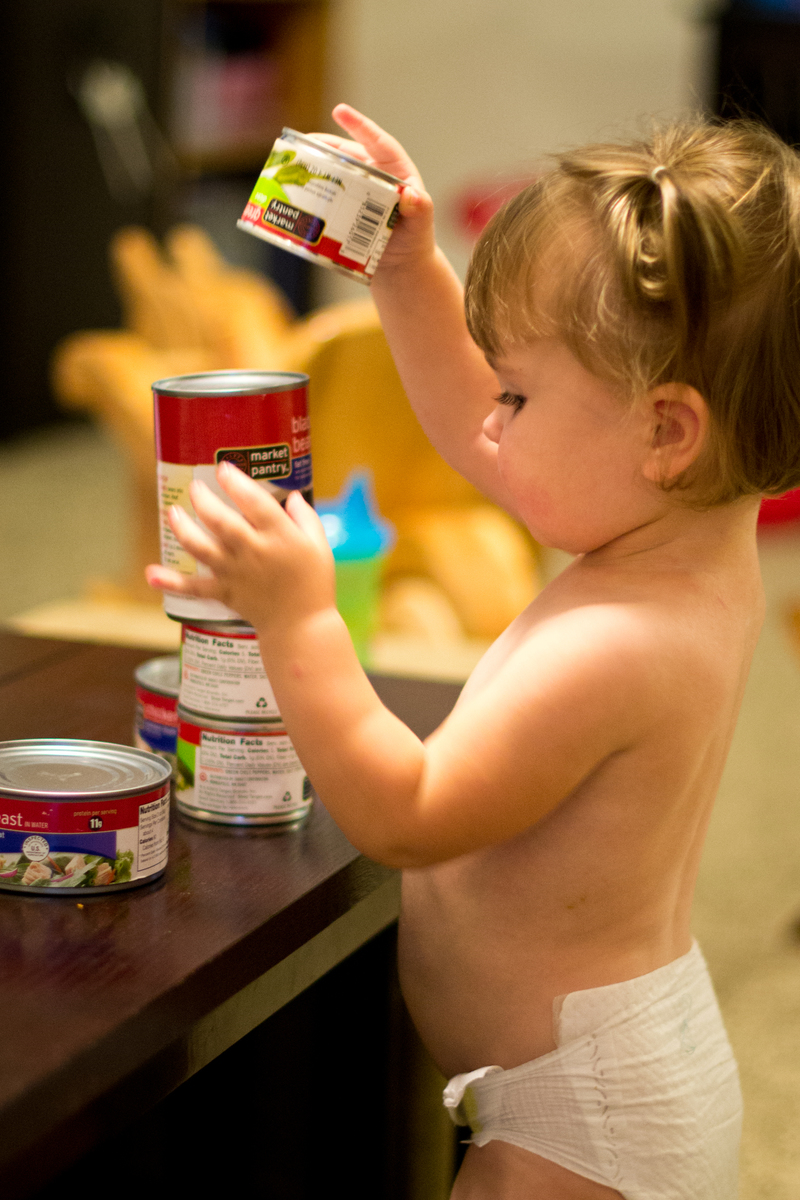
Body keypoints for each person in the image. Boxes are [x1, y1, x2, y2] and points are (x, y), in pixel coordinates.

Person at [146, 106, 800, 1198]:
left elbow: (407, 811)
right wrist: (408, 271)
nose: (485, 427)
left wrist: (301, 619)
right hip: (597, 1070)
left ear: (664, 432)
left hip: (581, 1130)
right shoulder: (677, 535)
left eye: (516, 393)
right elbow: (483, 435)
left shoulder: (616, 641)